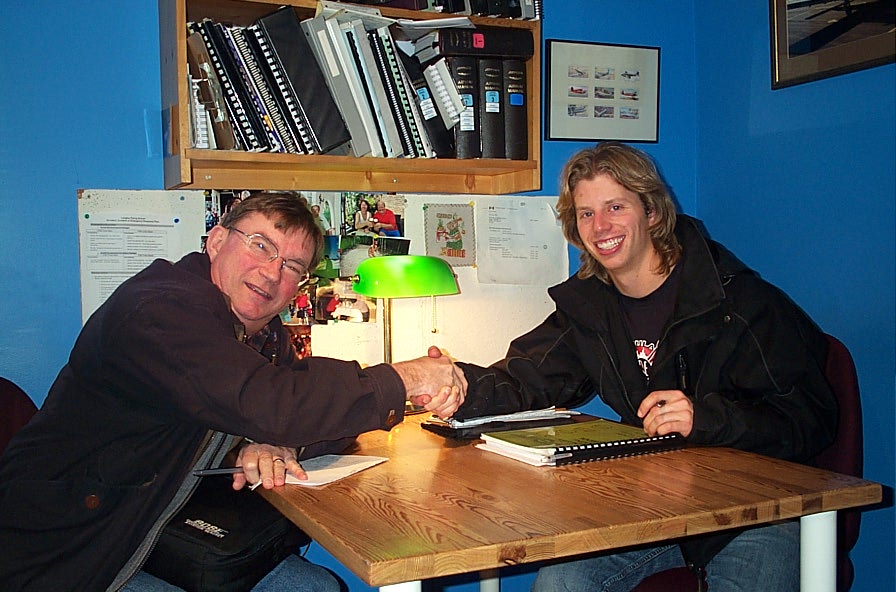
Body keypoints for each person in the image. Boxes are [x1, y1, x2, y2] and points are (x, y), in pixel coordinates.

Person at [0, 192, 465, 592]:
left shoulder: (261, 336)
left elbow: (294, 406)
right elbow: (268, 401)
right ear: (216, 241)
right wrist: (405, 378)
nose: (271, 271)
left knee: (314, 587)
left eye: (292, 266)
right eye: (260, 245)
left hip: (146, 525)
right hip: (64, 553)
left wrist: (272, 441)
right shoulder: (161, 308)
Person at [449, 142, 837, 592]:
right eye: (586, 213)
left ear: (651, 211)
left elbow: (812, 419)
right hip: (657, 505)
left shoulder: (743, 304)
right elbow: (527, 377)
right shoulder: (591, 306)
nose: (601, 226)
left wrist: (706, 417)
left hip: (761, 510)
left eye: (615, 206)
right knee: (560, 584)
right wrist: (456, 386)